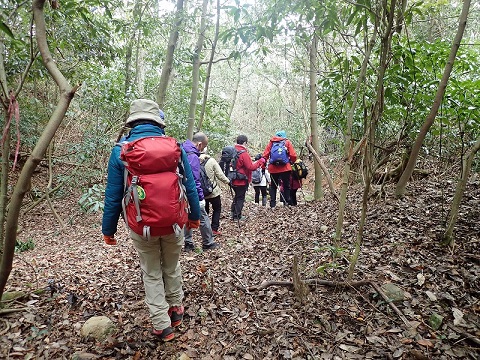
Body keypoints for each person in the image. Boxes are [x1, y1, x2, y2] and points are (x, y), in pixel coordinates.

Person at [102, 99, 200, 341]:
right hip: (174, 221)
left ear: (132, 123)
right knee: (172, 265)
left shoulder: (121, 151)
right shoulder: (174, 147)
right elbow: (189, 186)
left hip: (140, 223)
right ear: (158, 122)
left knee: (152, 271)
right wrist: (194, 217)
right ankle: (176, 309)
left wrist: (109, 229)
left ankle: (161, 324)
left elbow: (113, 195)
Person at [181, 132, 219, 251]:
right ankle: (208, 242)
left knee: (186, 213)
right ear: (199, 144)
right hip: (191, 191)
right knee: (202, 215)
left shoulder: (182, 148)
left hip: (180, 189)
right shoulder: (192, 155)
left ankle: (188, 243)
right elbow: (193, 178)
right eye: (202, 147)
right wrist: (200, 196)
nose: (202, 150)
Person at [230, 135, 265, 220]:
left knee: (237, 196)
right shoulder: (243, 153)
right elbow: (250, 167)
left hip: (232, 178)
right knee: (240, 197)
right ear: (245, 142)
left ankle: (233, 213)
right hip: (241, 179)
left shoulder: (231, 151)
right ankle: (237, 216)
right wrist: (260, 161)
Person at [262, 130, 297, 207]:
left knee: (273, 186)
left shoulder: (271, 142)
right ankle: (286, 202)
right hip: (285, 168)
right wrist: (291, 161)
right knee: (286, 185)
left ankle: (272, 204)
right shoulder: (287, 142)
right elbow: (293, 155)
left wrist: (263, 167)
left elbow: (265, 155)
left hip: (273, 168)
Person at [199, 149, 230, 235]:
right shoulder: (211, 161)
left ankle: (206, 230)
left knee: (205, 212)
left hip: (201, 192)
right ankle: (214, 229)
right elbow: (220, 174)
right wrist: (228, 182)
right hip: (213, 191)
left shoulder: (193, 160)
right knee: (217, 209)